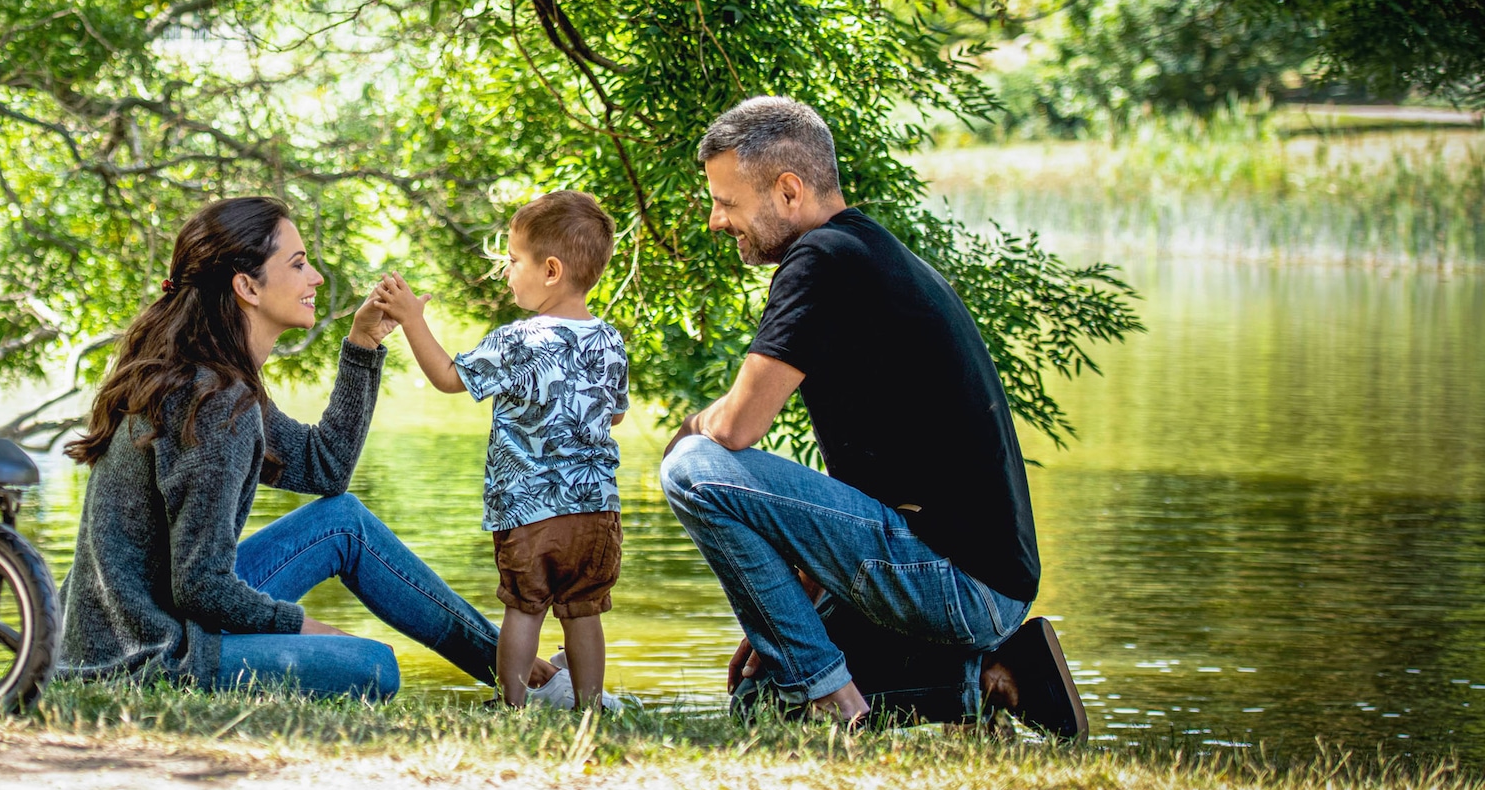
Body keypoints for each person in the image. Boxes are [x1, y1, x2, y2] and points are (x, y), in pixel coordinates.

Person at [659, 97, 1089, 736]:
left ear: (787, 190)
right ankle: (993, 679)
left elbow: (735, 428)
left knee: (692, 468)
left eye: (726, 202)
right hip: (979, 586)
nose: (718, 222)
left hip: (956, 579)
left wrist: (684, 431)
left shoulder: (821, 261)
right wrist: (788, 614)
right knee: (760, 701)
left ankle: (835, 700)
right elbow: (866, 487)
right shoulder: (867, 256)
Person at [58, 196, 548, 699]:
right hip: (144, 654)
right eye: (298, 264)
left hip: (163, 613)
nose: (315, 278)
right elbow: (200, 585)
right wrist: (304, 627)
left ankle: (511, 670)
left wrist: (363, 345)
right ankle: (522, 678)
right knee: (373, 666)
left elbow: (324, 469)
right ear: (247, 286)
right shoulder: (210, 401)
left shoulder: (215, 380)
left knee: (342, 520)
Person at [375, 190, 629, 711]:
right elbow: (616, 413)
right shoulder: (610, 340)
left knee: (524, 609)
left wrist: (411, 320)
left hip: (530, 513)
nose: (506, 272)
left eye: (514, 261)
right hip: (596, 514)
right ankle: (590, 707)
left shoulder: (517, 340)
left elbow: (449, 378)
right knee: (584, 612)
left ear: (551, 270)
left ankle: (511, 704)